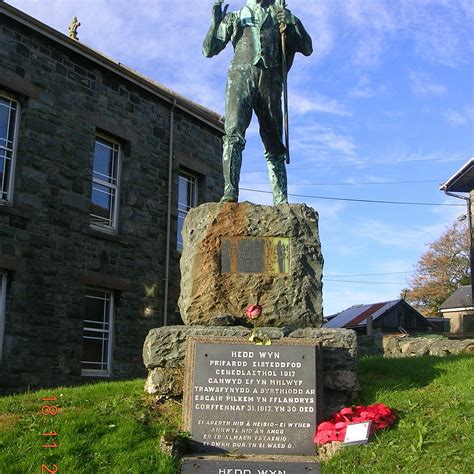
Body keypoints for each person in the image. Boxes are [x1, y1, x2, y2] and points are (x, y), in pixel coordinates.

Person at [203, 0, 312, 205]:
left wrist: (292, 23)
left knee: (274, 143)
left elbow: (307, 48)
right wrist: (215, 23)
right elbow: (209, 50)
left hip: (270, 82)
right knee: (233, 132)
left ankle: (281, 200)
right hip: (240, 78)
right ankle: (230, 192)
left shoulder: (281, 15)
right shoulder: (236, 17)